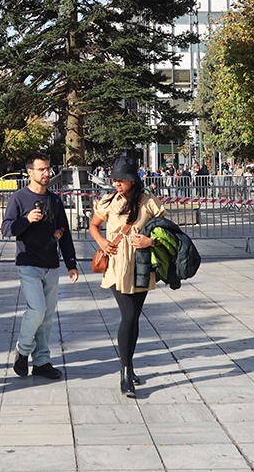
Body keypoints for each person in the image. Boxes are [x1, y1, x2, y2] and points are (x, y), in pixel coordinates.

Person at [89, 155, 165, 398]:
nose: (117, 183)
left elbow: (168, 234)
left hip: (141, 267)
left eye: (122, 179)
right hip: (116, 266)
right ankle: (124, 373)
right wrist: (102, 242)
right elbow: (93, 226)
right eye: (115, 179)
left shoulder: (149, 202)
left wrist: (150, 241)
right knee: (129, 315)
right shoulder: (108, 201)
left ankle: (129, 367)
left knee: (134, 319)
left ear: (133, 180)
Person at [2, 152, 79, 382]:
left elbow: (64, 232)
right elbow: (6, 229)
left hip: (51, 264)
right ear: (30, 172)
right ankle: (23, 349)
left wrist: (71, 263)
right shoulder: (18, 198)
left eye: (48, 168)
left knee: (47, 317)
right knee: (37, 309)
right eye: (41, 169)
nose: (47, 173)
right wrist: (26, 220)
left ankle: (41, 361)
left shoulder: (54, 200)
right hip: (28, 262)